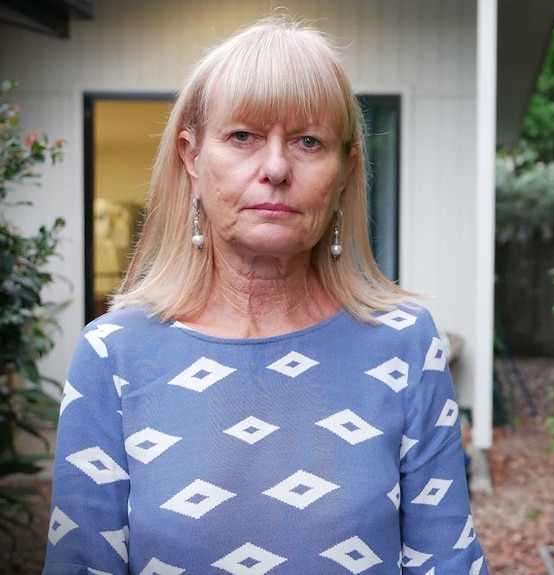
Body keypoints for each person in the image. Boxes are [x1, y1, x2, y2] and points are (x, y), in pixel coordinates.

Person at [43, 16, 488, 575]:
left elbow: (447, 562)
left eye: (308, 141)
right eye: (243, 137)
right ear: (191, 157)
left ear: (346, 170)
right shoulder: (113, 355)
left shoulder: (404, 345)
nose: (276, 168)